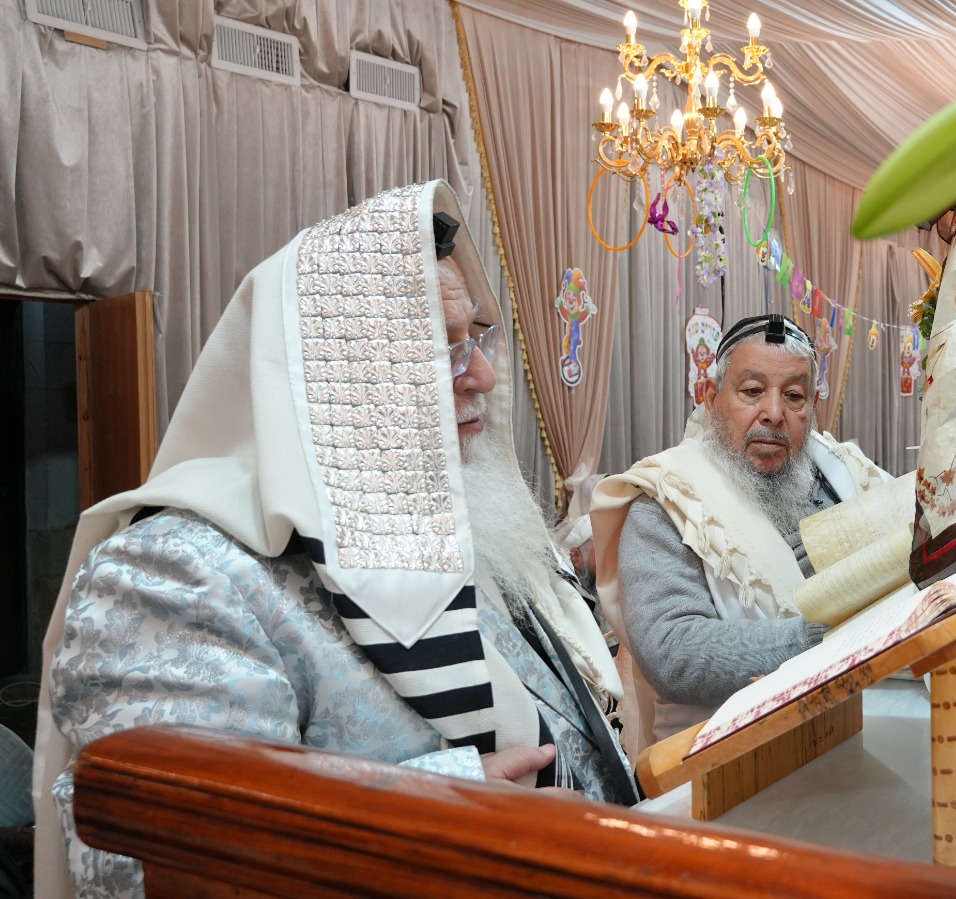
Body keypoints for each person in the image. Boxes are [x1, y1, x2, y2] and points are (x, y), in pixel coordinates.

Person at [32, 182, 637, 898]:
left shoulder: (439, 517)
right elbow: (150, 867)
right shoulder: (173, 574)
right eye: (437, 349)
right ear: (332, 379)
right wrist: (434, 811)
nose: (481, 374)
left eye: (474, 338)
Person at [591, 315, 892, 753]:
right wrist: (826, 635)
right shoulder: (667, 500)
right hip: (721, 759)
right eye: (752, 391)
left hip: (851, 731)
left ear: (813, 408)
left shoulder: (841, 473)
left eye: (793, 396)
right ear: (712, 398)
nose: (774, 413)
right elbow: (672, 652)